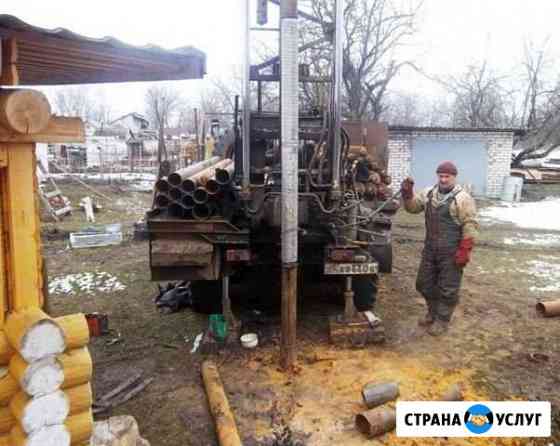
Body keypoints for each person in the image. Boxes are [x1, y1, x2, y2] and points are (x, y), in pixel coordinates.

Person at [400, 161, 479, 336]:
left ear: (454, 177)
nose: (443, 179)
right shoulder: (429, 193)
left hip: (451, 251)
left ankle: (442, 320)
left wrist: (464, 250)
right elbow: (412, 208)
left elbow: (470, 225)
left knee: (448, 288)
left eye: (447, 176)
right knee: (423, 284)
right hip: (430, 249)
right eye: (440, 176)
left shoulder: (462, 198)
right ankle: (433, 312)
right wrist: (407, 194)